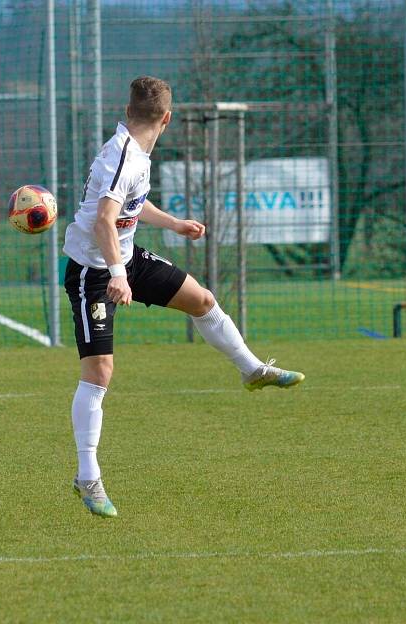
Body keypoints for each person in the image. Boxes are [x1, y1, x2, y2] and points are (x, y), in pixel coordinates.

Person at [62, 77, 304, 518]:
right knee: (99, 372)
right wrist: (118, 275)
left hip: (126, 257)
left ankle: (252, 370)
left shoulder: (136, 155)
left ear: (130, 108)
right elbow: (103, 220)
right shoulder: (122, 156)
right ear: (167, 118)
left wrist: (173, 224)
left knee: (202, 301)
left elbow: (131, 207)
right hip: (93, 272)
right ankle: (87, 476)